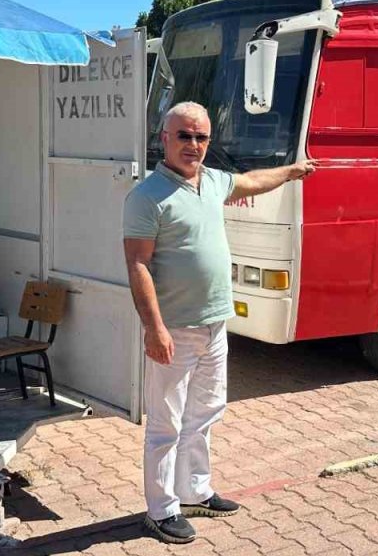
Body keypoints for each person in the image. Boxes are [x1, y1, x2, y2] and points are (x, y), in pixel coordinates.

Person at [122, 101, 316, 544]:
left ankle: (195, 491)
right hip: (175, 328)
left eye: (201, 137)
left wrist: (290, 172)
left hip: (214, 325)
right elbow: (137, 265)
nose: (193, 145)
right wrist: (154, 329)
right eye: (184, 136)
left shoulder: (211, 182)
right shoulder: (146, 196)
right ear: (164, 139)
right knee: (165, 423)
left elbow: (250, 180)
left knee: (205, 412)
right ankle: (162, 509)